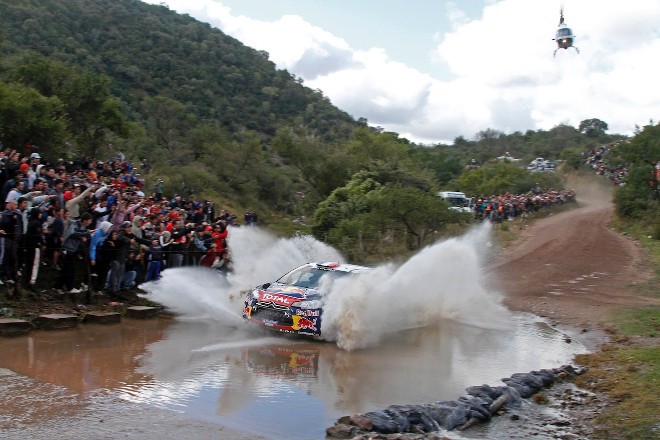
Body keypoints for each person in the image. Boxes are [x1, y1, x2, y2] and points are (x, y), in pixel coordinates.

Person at [54, 212, 93, 294]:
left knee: (65, 269)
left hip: (73, 250)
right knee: (70, 269)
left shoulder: (83, 227)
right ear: (84, 220)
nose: (90, 223)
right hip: (67, 249)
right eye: (89, 221)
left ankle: (57, 286)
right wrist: (82, 237)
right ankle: (69, 288)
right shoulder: (75, 224)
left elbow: (84, 233)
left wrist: (88, 233)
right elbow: (73, 234)